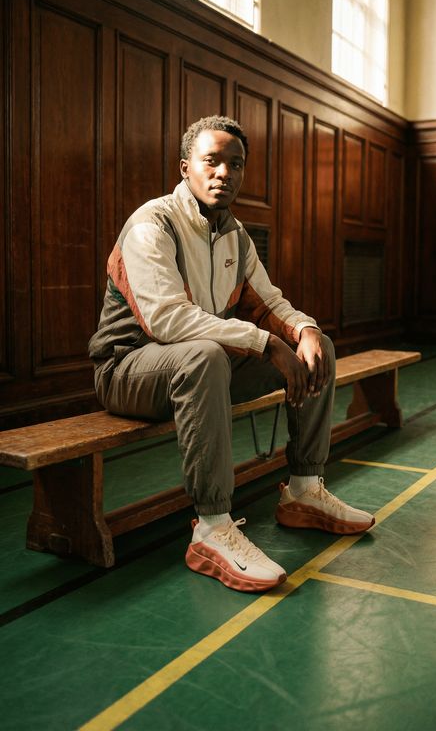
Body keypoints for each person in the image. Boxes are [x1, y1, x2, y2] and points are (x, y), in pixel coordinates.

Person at [89, 115, 375, 593]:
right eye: (211, 161)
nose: (224, 172)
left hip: (203, 365)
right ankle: (212, 527)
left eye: (235, 164)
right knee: (204, 356)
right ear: (186, 167)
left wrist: (302, 330)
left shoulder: (235, 235)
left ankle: (304, 491)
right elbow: (166, 320)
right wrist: (264, 342)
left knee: (317, 348)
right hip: (128, 369)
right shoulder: (151, 224)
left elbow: (269, 302)